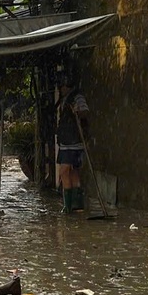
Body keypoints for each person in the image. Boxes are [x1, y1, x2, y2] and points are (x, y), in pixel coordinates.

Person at [54, 85, 89, 214]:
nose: (61, 89)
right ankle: (76, 205)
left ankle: (69, 206)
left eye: (63, 86)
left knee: (64, 171)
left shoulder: (77, 97)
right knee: (73, 172)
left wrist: (77, 112)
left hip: (74, 142)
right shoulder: (64, 99)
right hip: (66, 141)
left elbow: (84, 112)